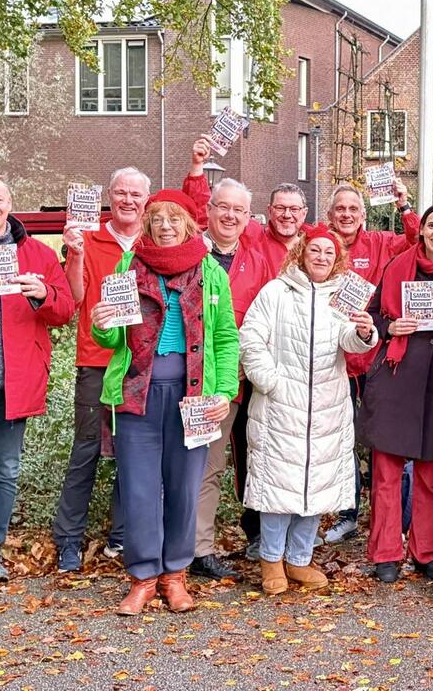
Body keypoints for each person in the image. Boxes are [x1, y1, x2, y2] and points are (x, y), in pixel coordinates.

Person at [91, 190, 238, 615]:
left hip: (193, 396)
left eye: (175, 219)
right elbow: (112, 337)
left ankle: (175, 576)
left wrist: (224, 391)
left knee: (183, 488)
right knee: (138, 490)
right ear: (148, 225)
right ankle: (142, 578)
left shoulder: (211, 273)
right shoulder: (127, 267)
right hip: (138, 394)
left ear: (190, 224)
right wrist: (102, 326)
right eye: (158, 219)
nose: (167, 226)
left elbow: (226, 339)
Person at [239, 224, 377, 595]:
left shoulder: (343, 295)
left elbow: (348, 342)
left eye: (328, 253)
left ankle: (299, 559)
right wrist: (269, 381)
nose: (321, 258)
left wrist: (365, 332)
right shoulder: (277, 291)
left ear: (337, 259)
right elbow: (251, 337)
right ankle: (271, 559)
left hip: (327, 404)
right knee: (278, 484)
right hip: (281, 404)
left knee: (315, 483)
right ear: (301, 252)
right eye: (315, 250)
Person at [357, 203, 433, 584]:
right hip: (395, 375)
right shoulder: (396, 266)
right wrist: (389, 326)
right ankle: (386, 553)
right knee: (386, 472)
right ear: (420, 230)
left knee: (429, 473)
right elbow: (370, 315)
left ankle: (427, 551)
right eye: (431, 225)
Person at [53, 166, 150, 571]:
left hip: (141, 361)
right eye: (121, 193)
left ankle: (121, 537)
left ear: (147, 199)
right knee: (87, 450)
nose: (128, 200)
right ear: (109, 195)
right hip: (97, 359)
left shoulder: (153, 240)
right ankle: (68, 540)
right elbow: (75, 297)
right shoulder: (89, 238)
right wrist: (75, 254)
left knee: (135, 452)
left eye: (136, 194)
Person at [0, 174, 75, 581]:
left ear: (10, 202)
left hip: (12, 382)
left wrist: (40, 293)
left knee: (5, 471)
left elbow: (65, 310)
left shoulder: (35, 252)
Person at [323, 181, 420, 544]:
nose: (346, 214)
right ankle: (348, 514)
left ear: (363, 215)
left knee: (391, 439)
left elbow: (415, 242)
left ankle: (400, 519)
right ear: (330, 215)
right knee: (342, 439)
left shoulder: (380, 242)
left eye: (353, 209)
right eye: (340, 209)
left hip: (378, 358)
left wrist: (404, 206)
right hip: (336, 360)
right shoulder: (320, 245)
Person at [188, 178, 270, 582]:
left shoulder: (256, 262)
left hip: (229, 381)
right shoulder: (187, 253)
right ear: (209, 208)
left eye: (239, 210)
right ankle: (165, 544)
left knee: (211, 466)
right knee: (175, 464)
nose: (230, 216)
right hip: (181, 378)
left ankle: (199, 549)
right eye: (224, 207)